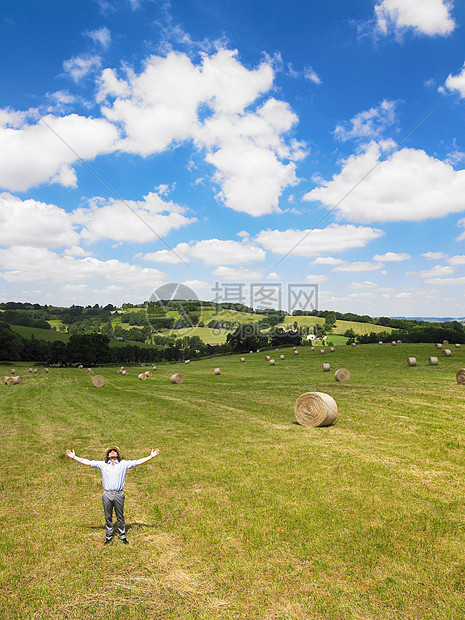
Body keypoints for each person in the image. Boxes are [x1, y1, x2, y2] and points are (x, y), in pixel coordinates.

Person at [66, 445, 160, 545]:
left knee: (120, 516)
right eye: (110, 451)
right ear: (107, 455)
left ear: (118, 454)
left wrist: (151, 456)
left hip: (119, 494)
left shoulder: (123, 464)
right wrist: (74, 457)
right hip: (107, 494)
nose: (112, 452)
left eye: (114, 451)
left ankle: (122, 535)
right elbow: (88, 462)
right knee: (108, 516)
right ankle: (109, 536)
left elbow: (137, 462)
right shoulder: (103, 464)